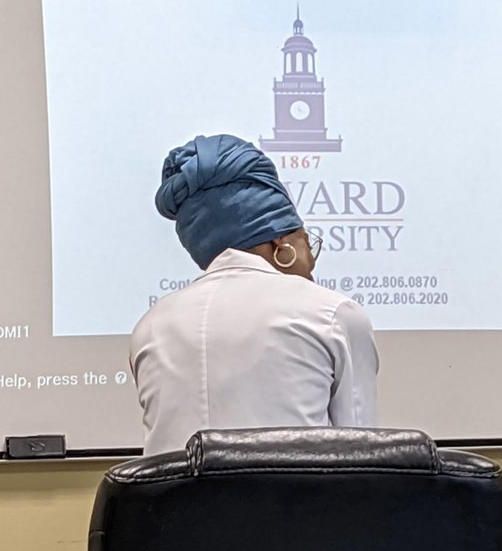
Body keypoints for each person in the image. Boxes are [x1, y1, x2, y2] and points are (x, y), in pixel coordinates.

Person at [129, 134, 380, 455]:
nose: (312, 260)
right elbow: (364, 459)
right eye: (307, 242)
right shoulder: (331, 313)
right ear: (281, 244)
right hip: (301, 506)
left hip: (173, 508)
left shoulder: (150, 326)